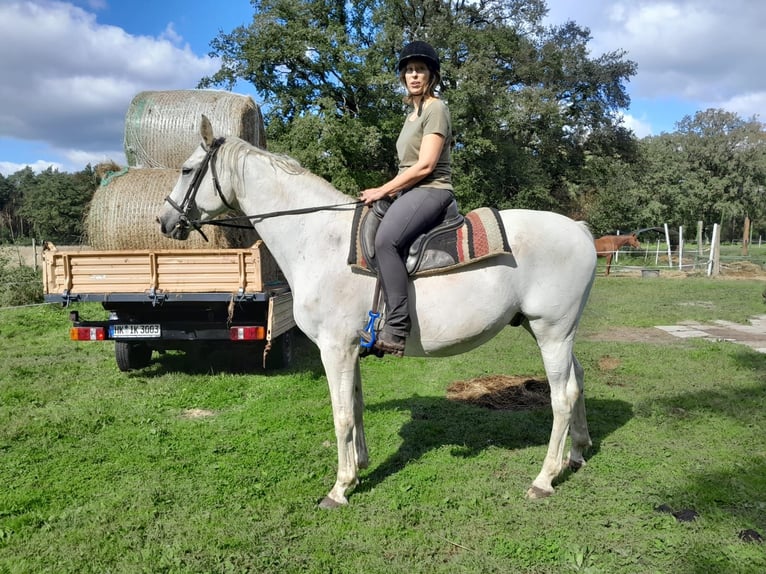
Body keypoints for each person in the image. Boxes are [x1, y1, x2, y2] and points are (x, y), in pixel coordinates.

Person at [359, 40, 454, 356]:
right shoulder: (411, 115)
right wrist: (388, 192)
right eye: (409, 70)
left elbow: (425, 165)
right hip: (410, 191)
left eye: (421, 69)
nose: (414, 75)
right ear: (403, 76)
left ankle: (397, 328)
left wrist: (382, 190)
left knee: (386, 241)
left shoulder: (435, 108)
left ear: (432, 75)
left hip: (432, 190)